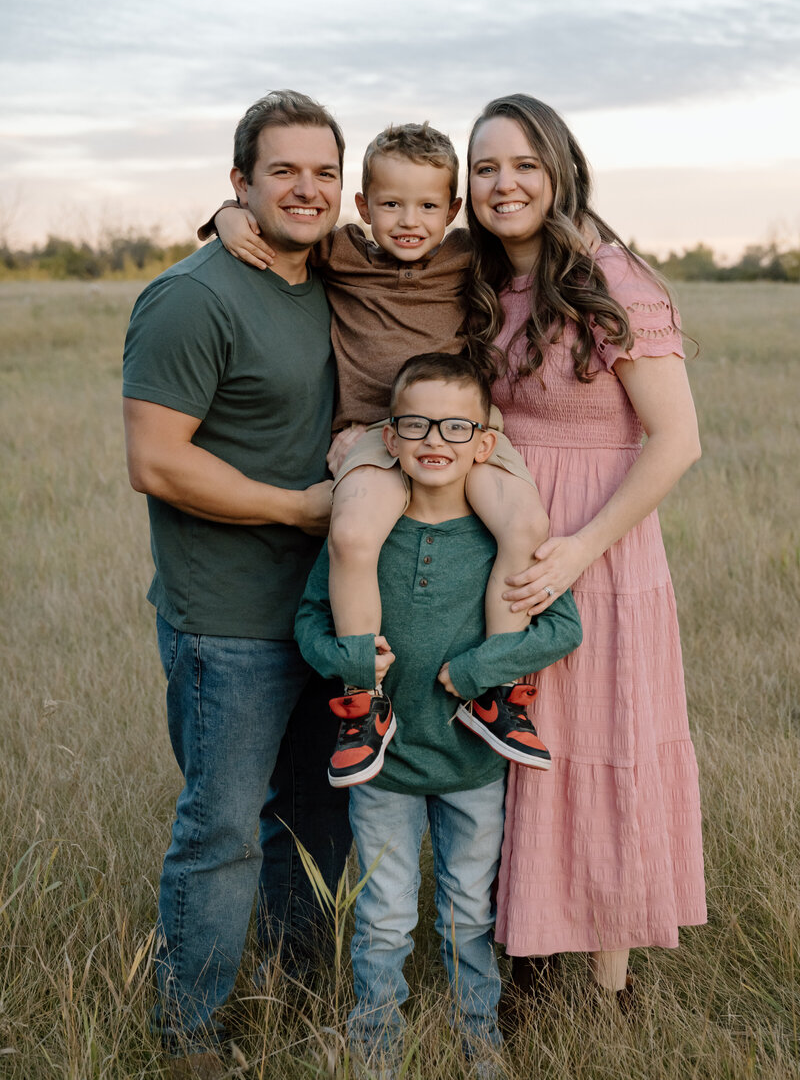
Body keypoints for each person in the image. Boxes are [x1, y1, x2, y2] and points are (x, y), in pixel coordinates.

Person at [201, 123, 551, 787]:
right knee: (353, 532)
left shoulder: (467, 255)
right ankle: (364, 698)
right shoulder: (341, 251)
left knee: (526, 525)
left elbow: (540, 230)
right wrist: (226, 215)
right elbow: (275, 226)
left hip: (465, 428)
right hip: (377, 431)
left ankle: (498, 688)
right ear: (363, 205)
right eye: (391, 204)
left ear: (453, 210)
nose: (409, 221)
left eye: (427, 206)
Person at [122, 90, 353, 1078]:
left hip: (331, 613)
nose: (306, 189)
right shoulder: (192, 296)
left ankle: (302, 998)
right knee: (221, 832)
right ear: (240, 181)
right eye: (281, 170)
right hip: (227, 619)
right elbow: (158, 460)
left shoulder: (339, 274)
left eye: (323, 172)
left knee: (319, 817)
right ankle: (190, 1037)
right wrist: (299, 509)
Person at [462, 94, 707, 1006]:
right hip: (505, 543)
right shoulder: (481, 279)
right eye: (486, 168)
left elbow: (676, 441)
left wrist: (579, 550)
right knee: (516, 746)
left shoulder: (613, 279)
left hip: (598, 548)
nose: (505, 183)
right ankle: (526, 954)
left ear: (561, 169)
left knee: (602, 744)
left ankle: (609, 984)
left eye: (524, 163)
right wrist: (231, 217)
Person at [294, 353, 583, 1072]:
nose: (435, 440)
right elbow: (308, 622)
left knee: (468, 912)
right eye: (417, 425)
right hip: (384, 766)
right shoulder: (364, 532)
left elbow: (562, 626)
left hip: (472, 762)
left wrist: (479, 670)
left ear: (484, 445)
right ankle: (376, 1049)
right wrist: (351, 662)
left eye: (456, 427)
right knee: (384, 916)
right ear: (389, 438)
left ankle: (479, 1043)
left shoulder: (499, 536)